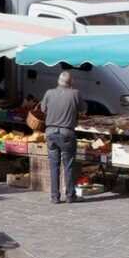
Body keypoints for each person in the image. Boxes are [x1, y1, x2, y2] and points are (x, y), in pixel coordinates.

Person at [40, 71, 87, 204]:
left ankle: (55, 197)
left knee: (53, 165)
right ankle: (70, 196)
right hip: (66, 133)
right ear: (71, 82)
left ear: (58, 81)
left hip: (50, 133)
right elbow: (83, 109)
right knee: (68, 165)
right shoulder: (75, 93)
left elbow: (43, 109)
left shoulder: (49, 93)